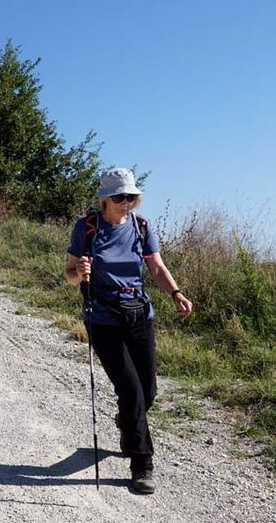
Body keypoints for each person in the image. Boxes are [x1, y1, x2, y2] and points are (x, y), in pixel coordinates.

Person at [64, 167, 192, 495]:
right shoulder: (87, 228)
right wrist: (80, 271)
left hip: (139, 315)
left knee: (148, 392)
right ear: (105, 199)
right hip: (103, 319)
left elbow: (156, 267)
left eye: (131, 197)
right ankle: (142, 464)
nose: (127, 202)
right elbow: (69, 274)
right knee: (132, 391)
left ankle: (127, 424)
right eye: (120, 197)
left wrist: (176, 293)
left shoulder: (141, 226)